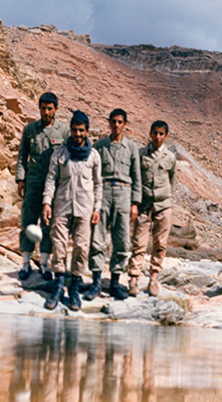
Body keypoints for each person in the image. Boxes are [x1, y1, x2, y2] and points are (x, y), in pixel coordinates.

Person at [42, 110, 102, 310]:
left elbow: (98, 184)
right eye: (75, 130)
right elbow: (51, 179)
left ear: (87, 131)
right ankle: (59, 286)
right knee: (58, 245)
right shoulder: (59, 154)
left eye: (81, 131)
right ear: (71, 130)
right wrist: (47, 203)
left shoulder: (94, 156)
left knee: (82, 247)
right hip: (62, 205)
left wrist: (97, 208)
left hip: (85, 208)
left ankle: (74, 288)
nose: (77, 134)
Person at [84, 109, 142, 301]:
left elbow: (137, 176)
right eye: (113, 121)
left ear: (125, 124)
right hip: (104, 192)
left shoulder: (131, 147)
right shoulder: (100, 145)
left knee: (122, 239)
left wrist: (135, 203)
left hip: (124, 194)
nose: (116, 125)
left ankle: (115, 282)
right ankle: (96, 282)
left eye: (120, 122)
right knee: (97, 238)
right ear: (109, 123)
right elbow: (93, 174)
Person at [15, 92, 70, 281]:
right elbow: (23, 156)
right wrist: (20, 179)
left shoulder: (63, 131)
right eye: (43, 108)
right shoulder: (30, 129)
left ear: (56, 109)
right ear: (39, 108)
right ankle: (25, 264)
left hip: (54, 187)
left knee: (48, 225)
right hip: (33, 184)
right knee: (28, 223)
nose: (46, 112)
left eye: (50, 109)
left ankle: (45, 264)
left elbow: (69, 157)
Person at [127, 121, 177, 297]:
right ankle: (133, 278)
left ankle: (154, 279)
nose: (157, 137)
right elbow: (135, 178)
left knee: (160, 243)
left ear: (166, 136)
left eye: (161, 134)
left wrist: (167, 199)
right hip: (144, 205)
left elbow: (172, 181)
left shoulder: (170, 158)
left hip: (163, 205)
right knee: (139, 242)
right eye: (155, 133)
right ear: (150, 134)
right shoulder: (140, 155)